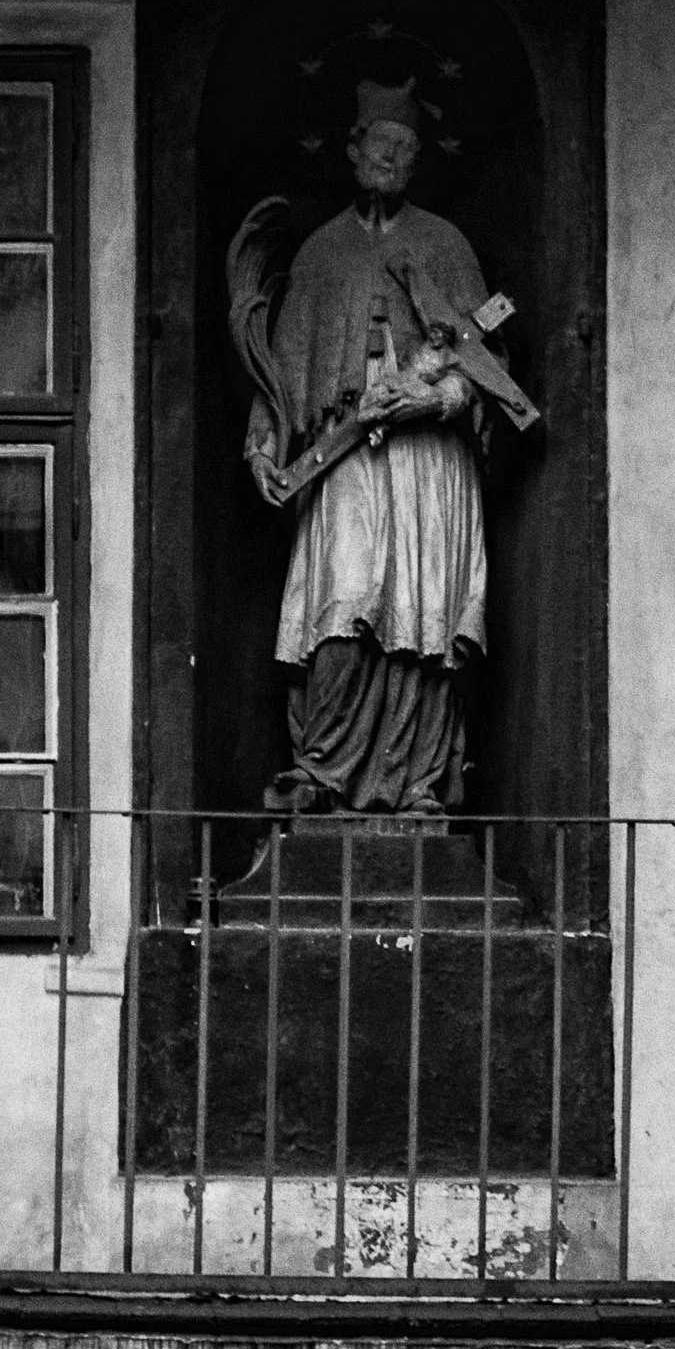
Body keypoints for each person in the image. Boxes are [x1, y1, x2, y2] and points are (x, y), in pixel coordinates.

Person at [239, 79, 501, 816]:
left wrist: (437, 397)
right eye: (376, 144)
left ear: (416, 161)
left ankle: (419, 782)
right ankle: (324, 770)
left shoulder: (446, 244)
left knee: (419, 615)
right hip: (342, 454)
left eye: (403, 149)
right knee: (341, 605)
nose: (388, 159)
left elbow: (486, 367)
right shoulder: (323, 253)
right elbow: (283, 368)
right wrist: (263, 447)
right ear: (352, 151)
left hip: (428, 463)